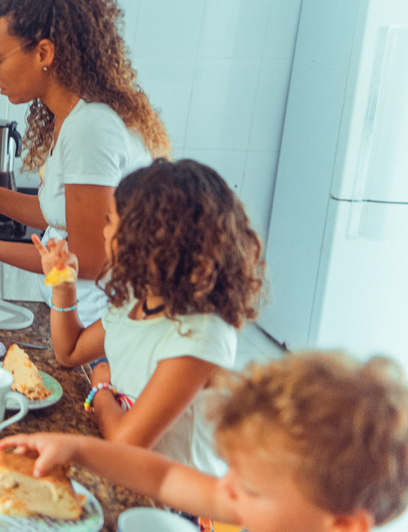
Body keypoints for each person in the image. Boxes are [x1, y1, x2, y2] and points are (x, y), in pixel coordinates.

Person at [0, 352, 408, 532]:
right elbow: (163, 476)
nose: (225, 488)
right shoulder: (280, 524)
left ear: (343, 525)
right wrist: (76, 449)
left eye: (248, 486)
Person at [0, 0, 170, 327]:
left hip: (101, 331)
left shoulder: (90, 127)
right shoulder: (68, 117)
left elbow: (86, 259)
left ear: (44, 52)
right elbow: (57, 215)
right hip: (77, 322)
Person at [37, 159, 264, 467]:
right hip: (134, 476)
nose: (104, 232)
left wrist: (101, 388)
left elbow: (126, 443)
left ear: (146, 239)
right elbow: (70, 351)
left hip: (177, 508)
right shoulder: (138, 300)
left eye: (110, 222)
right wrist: (64, 287)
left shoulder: (201, 334)